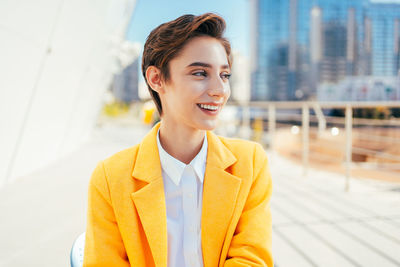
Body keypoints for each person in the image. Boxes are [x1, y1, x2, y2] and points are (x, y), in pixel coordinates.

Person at [83, 13, 273, 267]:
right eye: (199, 73)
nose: (219, 90)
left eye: (224, 75)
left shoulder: (250, 163)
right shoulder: (110, 177)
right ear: (156, 79)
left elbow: (252, 258)